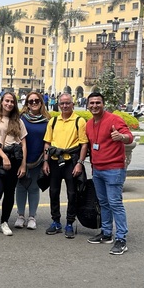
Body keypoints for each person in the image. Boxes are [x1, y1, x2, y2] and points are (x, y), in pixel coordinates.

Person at [84, 92, 133, 255]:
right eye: (91, 103)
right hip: (97, 169)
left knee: (115, 203)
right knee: (103, 203)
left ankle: (121, 238)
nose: (94, 106)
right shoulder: (89, 124)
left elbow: (129, 137)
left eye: (98, 103)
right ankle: (106, 233)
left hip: (114, 169)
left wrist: (121, 137)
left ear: (103, 104)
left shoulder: (114, 119)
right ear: (87, 105)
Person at [43, 93, 88, 239]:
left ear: (72, 104)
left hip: (71, 161)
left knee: (72, 193)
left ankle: (70, 222)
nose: (64, 106)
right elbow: (47, 143)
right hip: (55, 160)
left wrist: (80, 164)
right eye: (62, 103)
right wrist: (45, 161)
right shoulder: (54, 121)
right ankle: (56, 221)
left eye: (67, 103)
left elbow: (83, 144)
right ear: (58, 104)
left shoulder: (79, 121)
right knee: (53, 192)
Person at [0, 91, 27, 238]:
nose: (9, 104)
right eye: (7, 101)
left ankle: (4, 222)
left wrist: (23, 165)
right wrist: (3, 157)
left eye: (12, 102)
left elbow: (23, 144)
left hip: (14, 160)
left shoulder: (18, 121)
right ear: (1, 102)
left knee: (9, 192)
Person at [14, 91, 50, 231]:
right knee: (21, 186)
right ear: (27, 104)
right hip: (21, 158)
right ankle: (21, 215)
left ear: (41, 102)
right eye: (31, 101)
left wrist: (45, 160)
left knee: (34, 188)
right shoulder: (20, 119)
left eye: (37, 101)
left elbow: (48, 142)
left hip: (38, 158)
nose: (34, 103)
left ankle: (32, 217)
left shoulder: (47, 121)